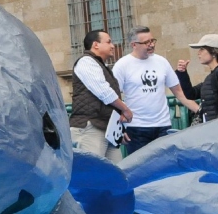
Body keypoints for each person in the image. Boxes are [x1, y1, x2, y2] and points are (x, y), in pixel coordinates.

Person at [112, 27, 200, 155]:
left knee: (165, 169)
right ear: (134, 45)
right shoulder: (122, 65)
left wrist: (199, 110)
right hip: (136, 128)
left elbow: (179, 93)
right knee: (140, 170)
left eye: (153, 40)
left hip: (163, 126)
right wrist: (119, 129)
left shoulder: (162, 62)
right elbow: (114, 98)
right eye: (146, 42)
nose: (151, 45)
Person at [70, 30, 133, 162]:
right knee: (93, 176)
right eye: (109, 42)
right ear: (95, 45)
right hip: (90, 128)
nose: (113, 45)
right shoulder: (86, 62)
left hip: (106, 129)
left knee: (116, 174)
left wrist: (118, 130)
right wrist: (125, 109)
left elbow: (108, 100)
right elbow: (104, 92)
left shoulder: (100, 66)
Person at [175, 34, 218, 123]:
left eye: (202, 49)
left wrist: (217, 125)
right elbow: (191, 94)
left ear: (214, 52)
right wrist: (182, 73)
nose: (198, 52)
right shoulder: (213, 76)